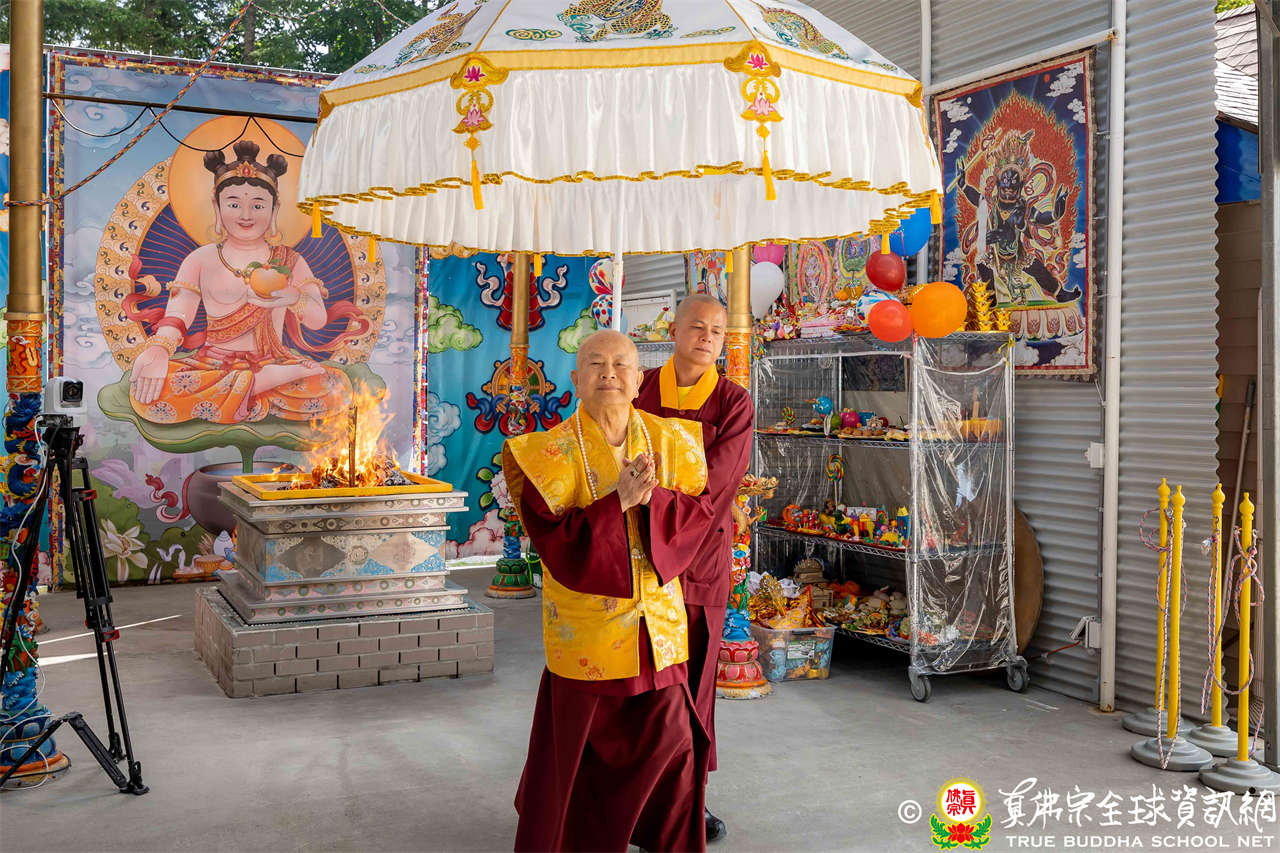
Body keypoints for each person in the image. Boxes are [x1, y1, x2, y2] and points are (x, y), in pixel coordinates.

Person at [504, 330, 717, 853]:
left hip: (658, 629)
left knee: (674, 743)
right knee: (583, 757)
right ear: (575, 380)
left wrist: (652, 501)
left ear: (639, 379)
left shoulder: (674, 441)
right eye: (595, 364)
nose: (609, 373)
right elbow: (553, 543)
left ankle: (667, 840)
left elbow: (700, 517)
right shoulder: (544, 453)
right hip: (589, 636)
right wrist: (615, 502)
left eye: (621, 364)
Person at [126, 140, 369, 424]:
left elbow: (318, 320)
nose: (245, 215)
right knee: (149, 395)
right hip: (214, 366)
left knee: (336, 387)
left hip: (274, 361)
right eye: (234, 204)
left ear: (274, 209)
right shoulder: (200, 259)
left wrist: (295, 298)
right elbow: (178, 317)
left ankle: (254, 385)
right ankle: (258, 384)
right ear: (217, 207)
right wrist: (158, 349)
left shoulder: (290, 261)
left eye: (257, 205)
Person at [635, 293, 754, 844]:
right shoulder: (638, 389)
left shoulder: (733, 402)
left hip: (700, 559)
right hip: (636, 558)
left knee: (693, 686)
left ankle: (689, 801)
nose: (707, 337)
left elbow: (718, 484)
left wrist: (646, 496)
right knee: (639, 682)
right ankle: (635, 798)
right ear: (674, 330)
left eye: (717, 331)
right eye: (697, 326)